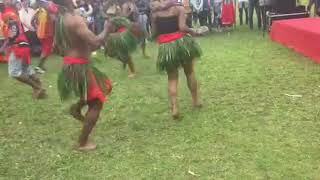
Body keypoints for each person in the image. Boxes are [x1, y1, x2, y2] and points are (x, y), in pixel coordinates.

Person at [53, 0, 113, 151]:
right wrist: (107, 29)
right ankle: (82, 142)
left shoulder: (61, 18)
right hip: (79, 66)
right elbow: (95, 42)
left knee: (105, 85)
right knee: (96, 102)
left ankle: (77, 107)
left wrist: (70, 55)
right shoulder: (75, 20)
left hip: (72, 64)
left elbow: (55, 47)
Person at [151, 0, 202, 119]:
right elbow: (182, 27)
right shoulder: (178, 8)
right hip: (181, 44)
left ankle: (174, 108)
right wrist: (192, 31)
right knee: (189, 72)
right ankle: (195, 100)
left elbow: (154, 32)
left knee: (172, 77)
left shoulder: (154, 13)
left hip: (166, 47)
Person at [0, 2, 46, 99]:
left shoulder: (12, 22)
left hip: (18, 48)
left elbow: (12, 37)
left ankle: (37, 87)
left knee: (14, 72)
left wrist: (3, 48)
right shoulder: (16, 20)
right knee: (27, 69)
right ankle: (40, 86)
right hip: (24, 47)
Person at [33, 6, 54, 73]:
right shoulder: (47, 11)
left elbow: (32, 21)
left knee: (47, 51)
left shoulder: (38, 11)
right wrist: (37, 28)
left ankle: (41, 66)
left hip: (43, 34)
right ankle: (38, 67)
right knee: (45, 51)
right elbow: (54, 19)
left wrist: (37, 28)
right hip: (47, 35)